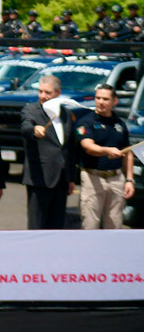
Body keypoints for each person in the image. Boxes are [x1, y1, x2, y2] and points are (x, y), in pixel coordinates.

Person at [20, 74, 76, 229]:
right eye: (40, 91)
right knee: (37, 224)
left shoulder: (66, 114)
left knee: (56, 225)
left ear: (58, 93)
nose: (43, 96)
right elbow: (25, 127)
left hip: (61, 179)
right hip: (40, 177)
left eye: (47, 92)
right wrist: (34, 129)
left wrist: (71, 178)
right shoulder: (31, 110)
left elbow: (69, 148)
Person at [75, 84, 134, 229]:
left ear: (115, 101)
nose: (100, 102)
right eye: (98, 98)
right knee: (90, 224)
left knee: (114, 224)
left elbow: (128, 152)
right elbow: (88, 146)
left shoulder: (120, 124)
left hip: (116, 179)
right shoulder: (86, 122)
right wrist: (107, 150)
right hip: (92, 178)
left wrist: (129, 179)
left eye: (105, 99)